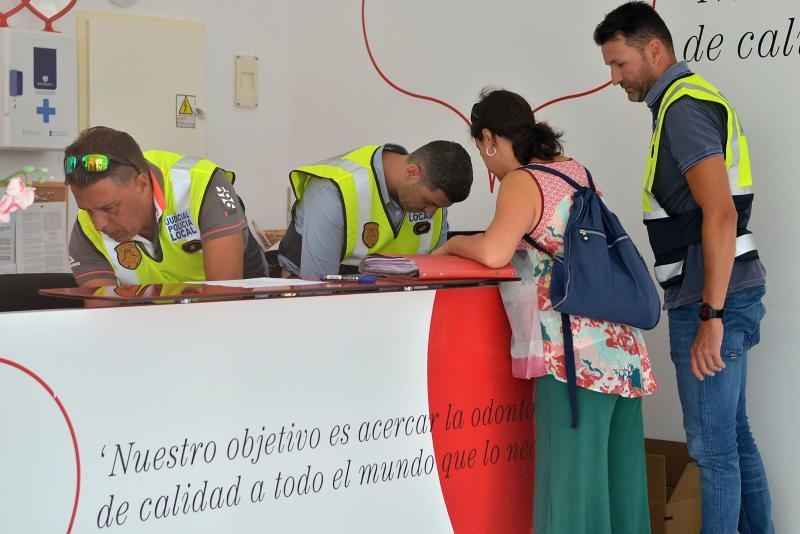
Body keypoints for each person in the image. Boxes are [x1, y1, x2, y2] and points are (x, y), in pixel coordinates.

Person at [433, 89, 657, 534]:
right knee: (620, 497)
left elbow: (495, 251)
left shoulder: (522, 181)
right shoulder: (574, 171)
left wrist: (454, 243)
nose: (485, 159)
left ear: (490, 138)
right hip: (623, 358)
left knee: (568, 500)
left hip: (573, 362)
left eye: (481, 148)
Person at [594, 3, 774, 532]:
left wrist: (710, 315)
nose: (615, 78)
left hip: (710, 298)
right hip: (724, 291)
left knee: (713, 452)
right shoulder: (685, 101)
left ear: (654, 50)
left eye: (620, 63)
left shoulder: (683, 108)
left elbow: (718, 214)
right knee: (733, 438)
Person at [66, 126, 266, 286]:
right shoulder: (86, 231)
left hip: (238, 300)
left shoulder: (201, 185)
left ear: (142, 184)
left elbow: (225, 303)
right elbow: (105, 320)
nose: (98, 224)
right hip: (154, 316)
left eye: (109, 208)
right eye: (87, 210)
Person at [277, 141, 473, 278]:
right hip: (331, 297)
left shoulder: (435, 201)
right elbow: (316, 290)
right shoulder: (333, 192)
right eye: (428, 201)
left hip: (396, 303)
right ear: (412, 173)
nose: (431, 213)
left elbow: (436, 278)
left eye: (439, 207)